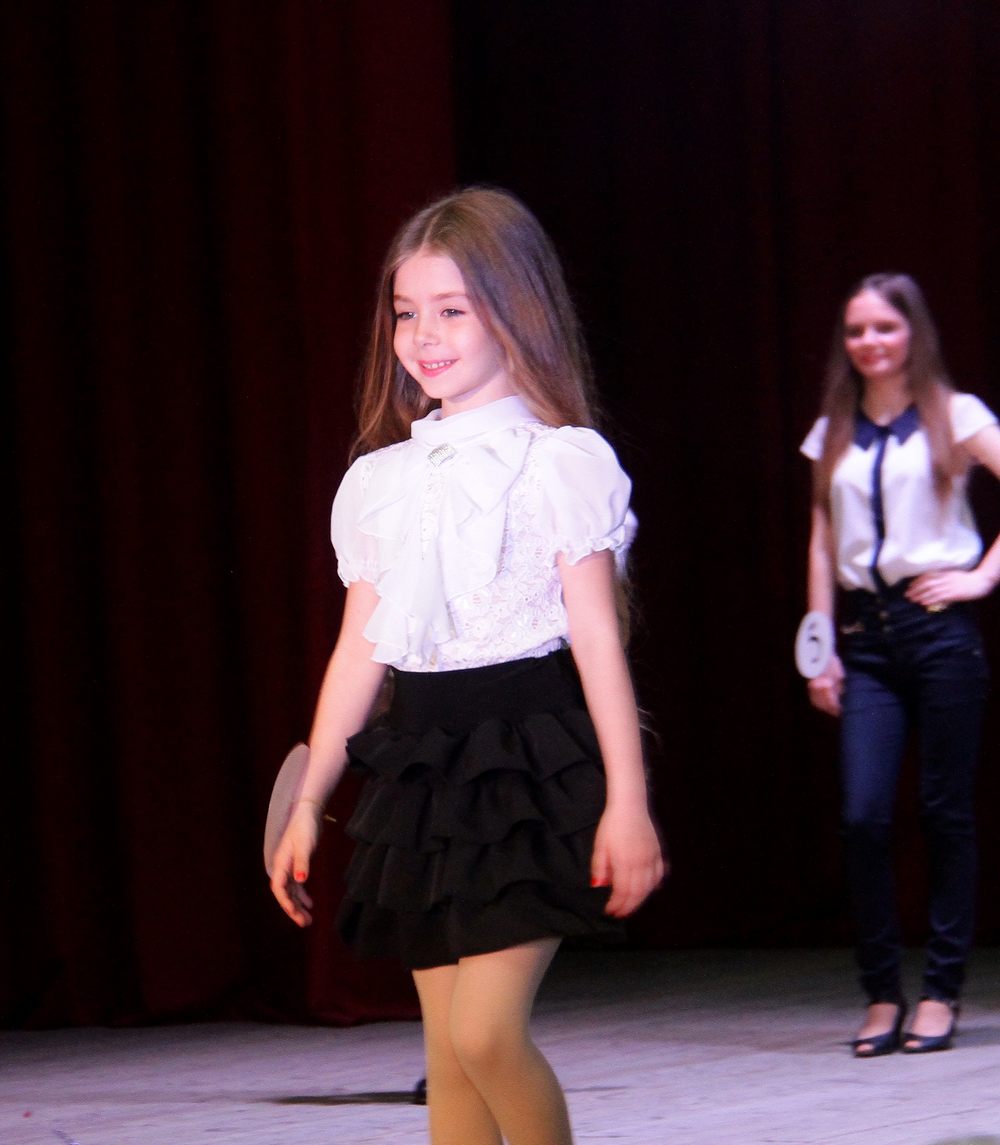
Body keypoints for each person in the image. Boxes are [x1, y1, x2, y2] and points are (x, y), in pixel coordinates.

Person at [270, 186, 665, 1143]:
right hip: (422, 765)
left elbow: (598, 642)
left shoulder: (560, 461)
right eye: (407, 312)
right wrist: (310, 796)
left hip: (527, 761)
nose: (424, 335)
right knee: (448, 1054)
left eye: (453, 309)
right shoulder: (380, 479)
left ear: (515, 309)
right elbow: (358, 652)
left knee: (487, 1034)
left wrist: (628, 800)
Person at [801, 272, 1000, 1058]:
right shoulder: (834, 427)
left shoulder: (956, 413)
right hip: (868, 636)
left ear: (913, 332)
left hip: (940, 632)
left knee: (945, 811)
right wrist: (819, 644)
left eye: (885, 327)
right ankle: (882, 992)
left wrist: (981, 576)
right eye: (857, 330)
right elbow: (821, 537)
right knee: (863, 814)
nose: (870, 342)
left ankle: (941, 991)